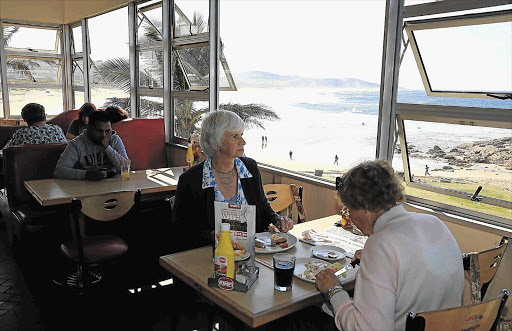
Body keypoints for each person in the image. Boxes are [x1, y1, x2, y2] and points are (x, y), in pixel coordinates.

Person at [315, 160, 464, 330]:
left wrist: (334, 291)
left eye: (349, 209)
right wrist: (381, 262)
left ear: (363, 204)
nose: (350, 217)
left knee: (301, 319)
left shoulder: (380, 244)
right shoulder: (434, 223)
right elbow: (421, 265)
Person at [172, 110, 294, 252]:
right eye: (235, 136)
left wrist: (277, 220)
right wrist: (217, 237)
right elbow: (182, 229)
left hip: (253, 254)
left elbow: (262, 206)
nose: (243, 142)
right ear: (214, 142)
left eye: (241, 135)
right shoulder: (191, 179)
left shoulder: (250, 168)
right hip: (210, 256)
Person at [54, 111, 128, 180]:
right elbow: (59, 171)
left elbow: (125, 168)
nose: (103, 135)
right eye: (99, 131)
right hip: (89, 185)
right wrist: (86, 174)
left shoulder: (114, 139)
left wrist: (107, 147)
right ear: (89, 127)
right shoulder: (77, 144)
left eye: (107, 131)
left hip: (114, 183)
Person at [2, 103, 67, 149]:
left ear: (24, 119)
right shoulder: (56, 129)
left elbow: (7, 152)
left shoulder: (21, 133)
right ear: (45, 116)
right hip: (54, 165)